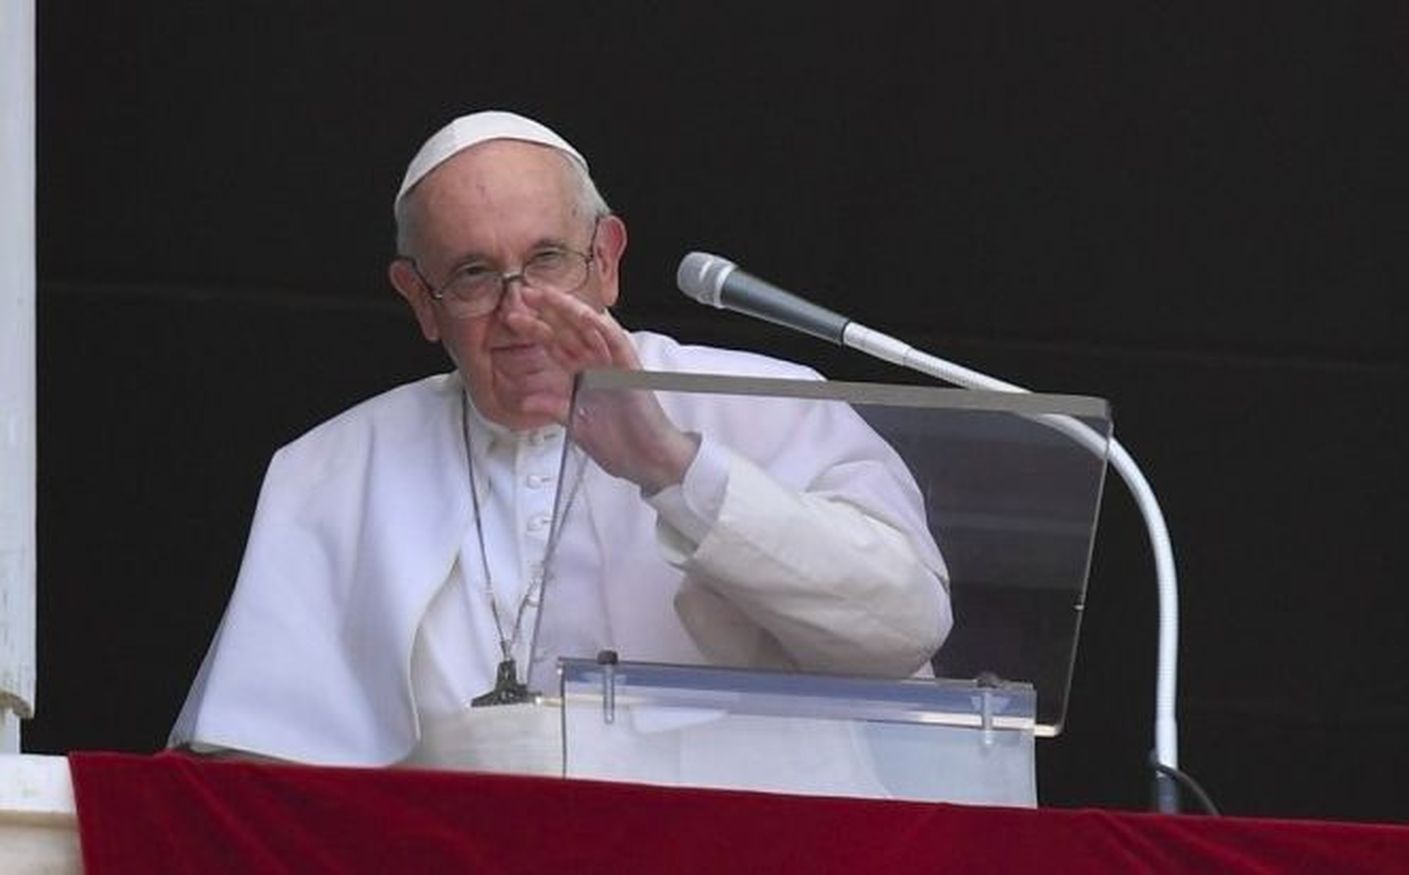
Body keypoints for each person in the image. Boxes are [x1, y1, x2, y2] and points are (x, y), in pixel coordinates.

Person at [170, 111, 952, 771]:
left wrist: (673, 468)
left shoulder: (770, 404)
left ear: (606, 259)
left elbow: (905, 626)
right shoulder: (330, 470)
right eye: (473, 274)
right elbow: (246, 771)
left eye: (546, 260)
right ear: (422, 301)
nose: (519, 313)